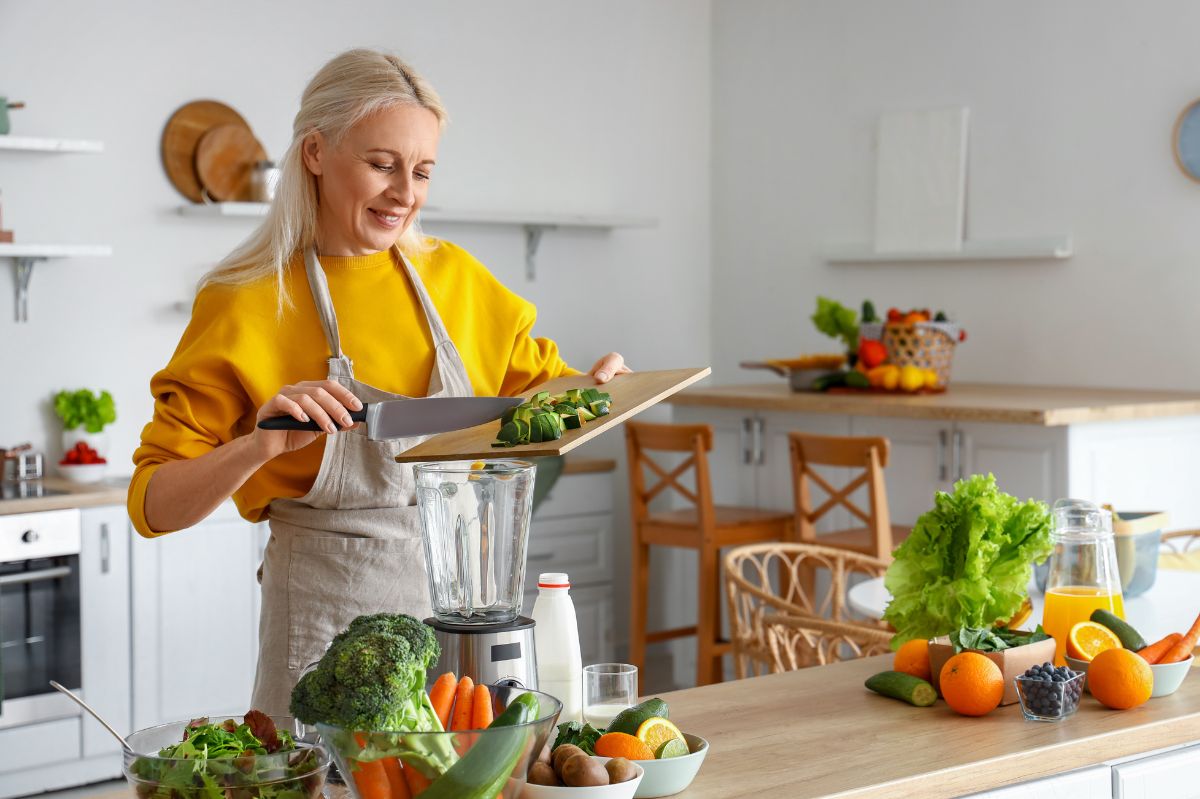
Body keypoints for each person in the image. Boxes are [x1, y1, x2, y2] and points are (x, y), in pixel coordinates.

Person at [128, 48, 629, 714]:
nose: (405, 193)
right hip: (321, 629)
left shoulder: (458, 280)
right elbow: (153, 505)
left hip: (455, 630)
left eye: (421, 171)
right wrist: (260, 446)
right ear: (314, 152)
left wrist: (598, 388)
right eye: (381, 164)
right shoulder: (245, 301)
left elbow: (544, 397)